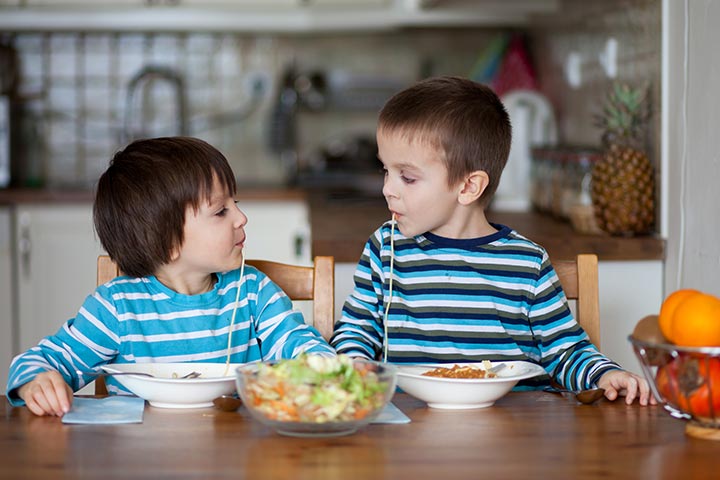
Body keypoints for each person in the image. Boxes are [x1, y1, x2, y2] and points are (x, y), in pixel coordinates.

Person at [329, 76, 654, 405]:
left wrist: (604, 374)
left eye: (407, 177)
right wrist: (352, 363)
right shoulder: (386, 249)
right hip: (409, 428)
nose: (388, 188)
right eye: (386, 170)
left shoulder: (526, 264)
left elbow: (566, 351)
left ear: (468, 187)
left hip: (515, 431)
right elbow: (357, 329)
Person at [7, 136, 334, 416]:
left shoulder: (252, 291)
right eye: (221, 211)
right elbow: (46, 360)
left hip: (238, 454)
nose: (242, 217)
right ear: (167, 241)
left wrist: (320, 366)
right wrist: (36, 380)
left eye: (236, 203)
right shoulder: (118, 307)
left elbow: (297, 343)